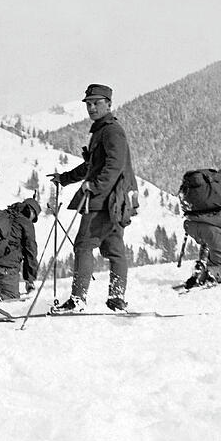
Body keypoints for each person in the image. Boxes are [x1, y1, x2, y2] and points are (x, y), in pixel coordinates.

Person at [49, 83, 139, 313]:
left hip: (104, 200)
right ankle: (117, 299)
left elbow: (114, 165)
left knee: (83, 245)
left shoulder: (111, 130)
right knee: (114, 248)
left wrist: (95, 187)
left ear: (108, 104)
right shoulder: (102, 130)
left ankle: (78, 300)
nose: (91, 107)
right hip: (115, 201)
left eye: (96, 103)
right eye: (88, 104)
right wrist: (66, 178)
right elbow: (93, 165)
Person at [180, 163, 221, 288]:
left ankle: (202, 267)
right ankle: (210, 274)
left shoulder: (219, 179)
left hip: (194, 224)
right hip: (216, 229)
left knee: (212, 243)